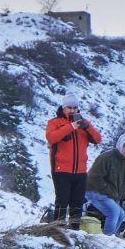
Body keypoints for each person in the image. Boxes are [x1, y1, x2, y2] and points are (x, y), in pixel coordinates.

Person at [43, 94, 102, 228]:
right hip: (61, 170)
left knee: (77, 204)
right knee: (62, 202)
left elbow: (98, 139)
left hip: (80, 171)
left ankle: (74, 231)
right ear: (63, 108)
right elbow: (51, 137)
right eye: (69, 108)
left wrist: (87, 127)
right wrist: (71, 126)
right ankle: (57, 229)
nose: (72, 110)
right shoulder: (54, 122)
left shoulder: (84, 123)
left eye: (75, 108)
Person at [84, 133, 125, 239]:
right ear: (120, 145)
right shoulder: (107, 157)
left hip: (111, 196)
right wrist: (110, 192)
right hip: (95, 192)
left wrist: (120, 195)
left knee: (121, 214)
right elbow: (94, 178)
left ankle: (110, 237)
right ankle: (107, 239)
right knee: (114, 212)